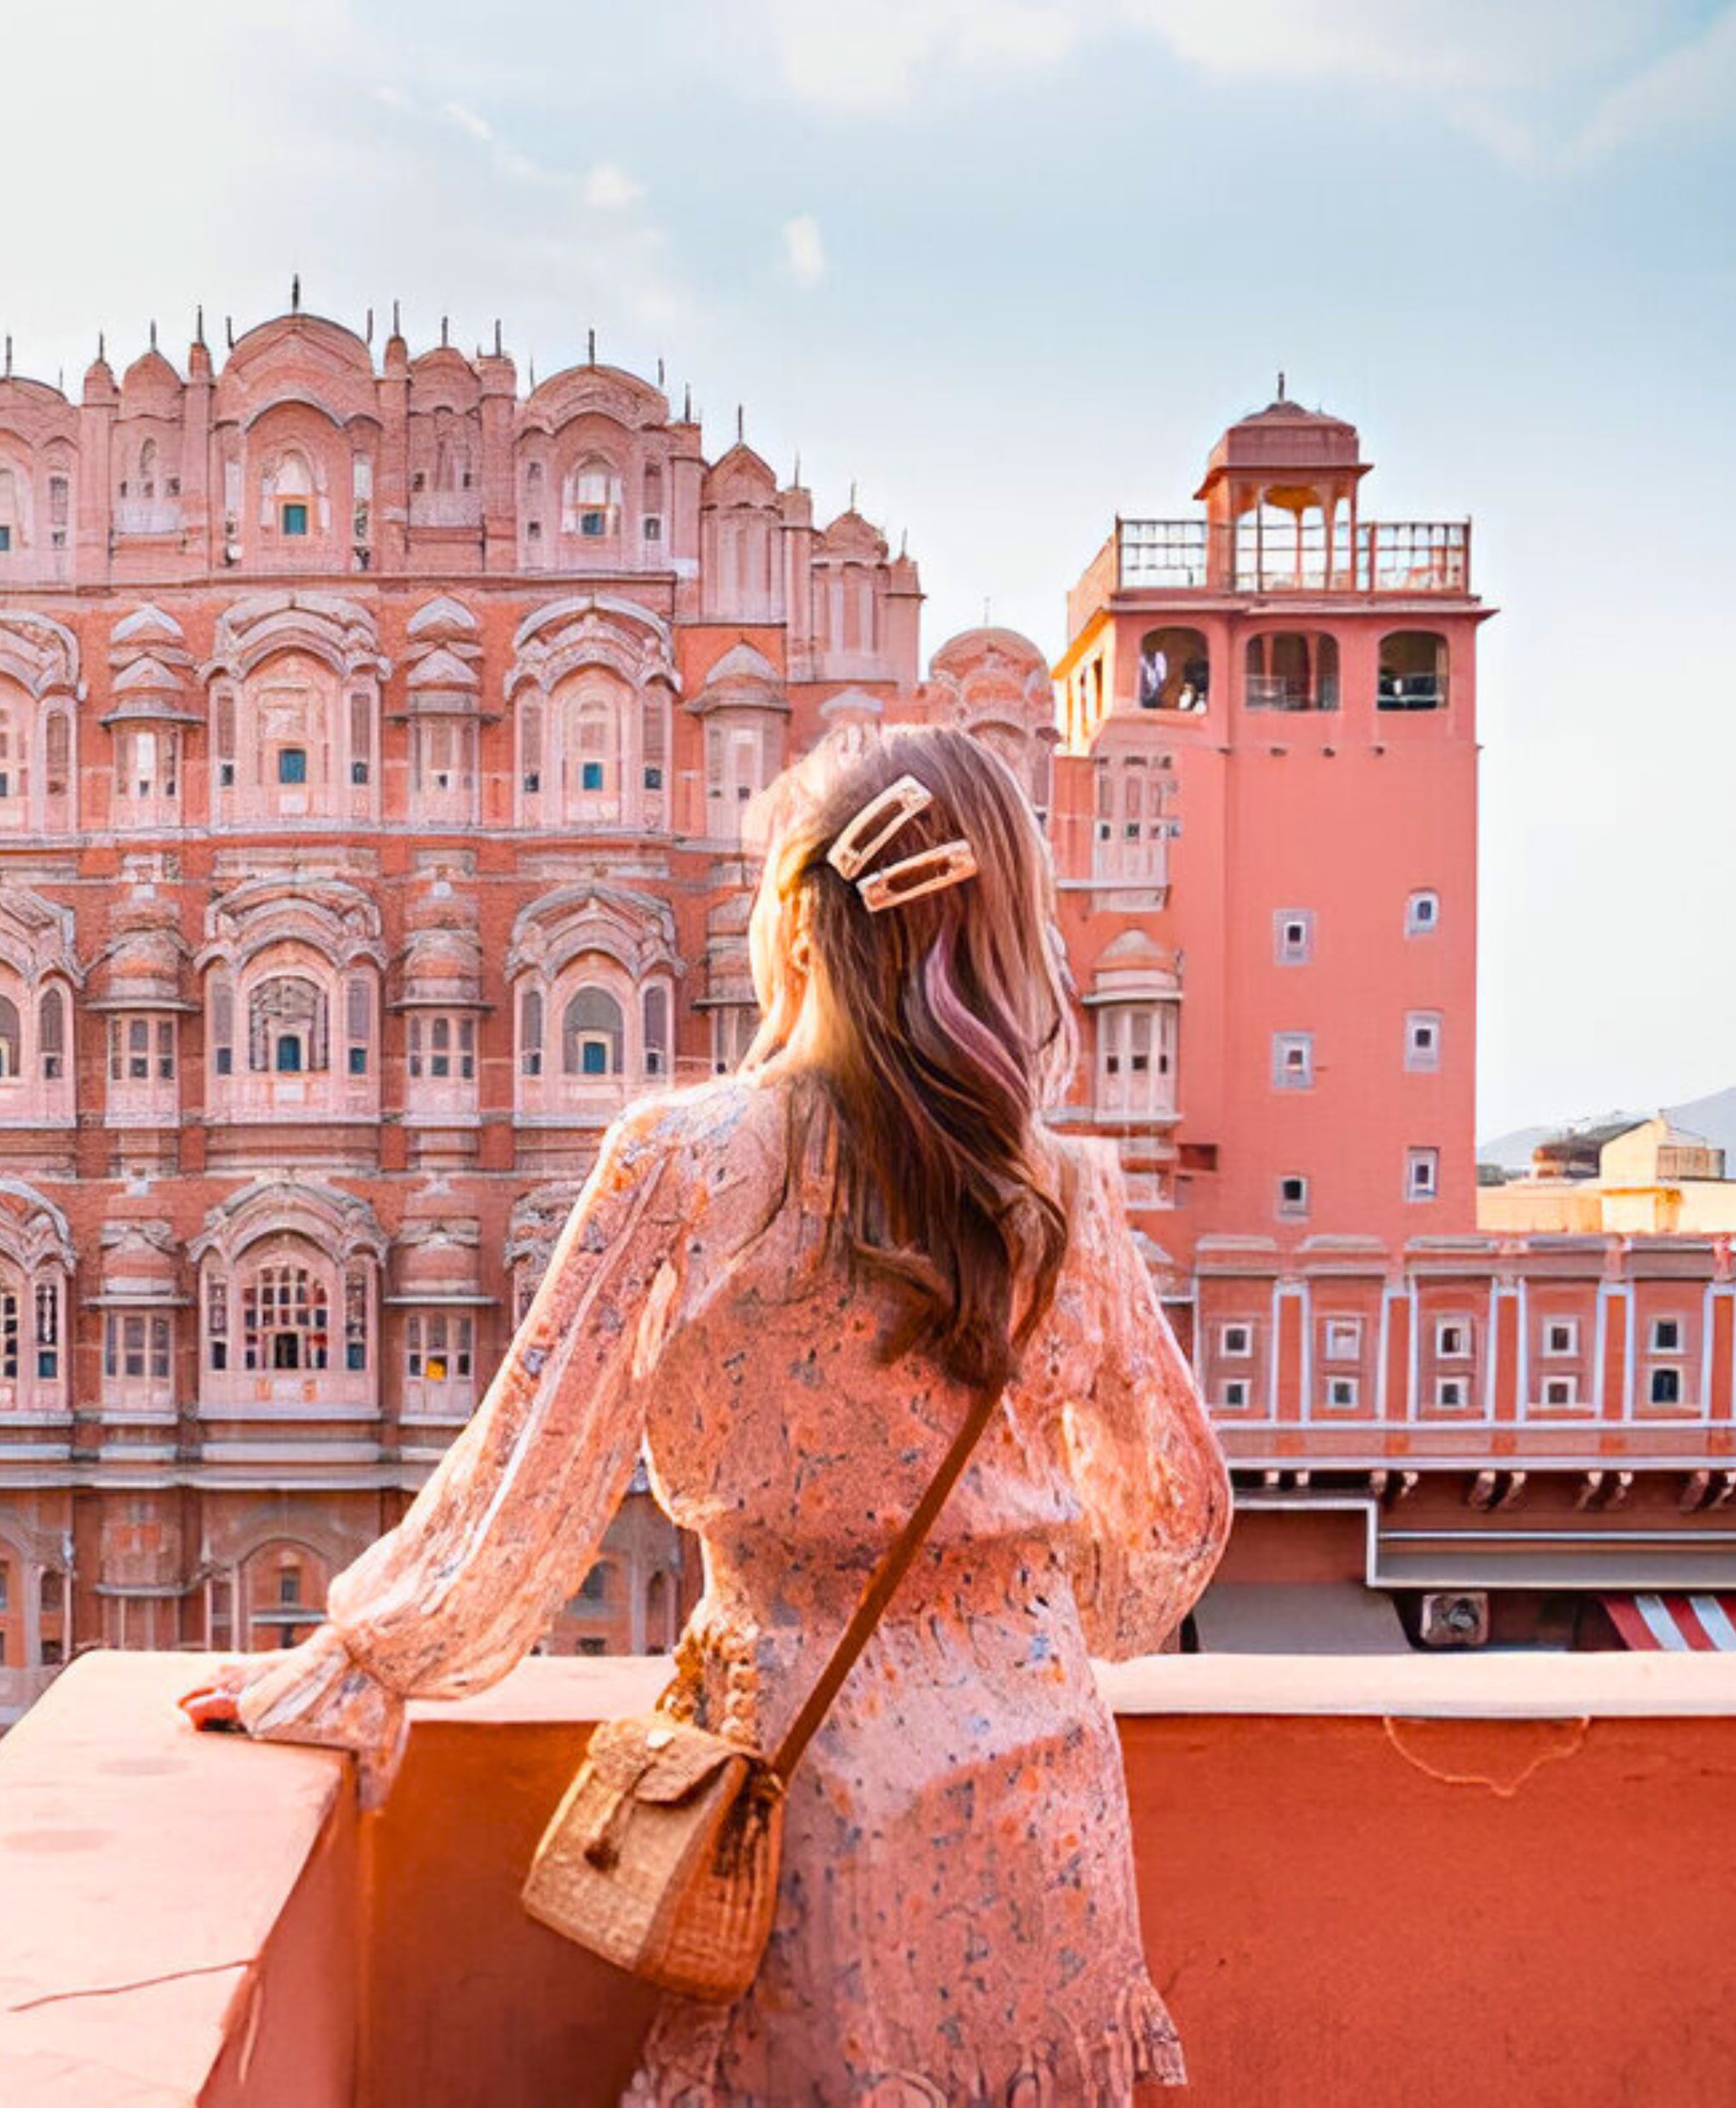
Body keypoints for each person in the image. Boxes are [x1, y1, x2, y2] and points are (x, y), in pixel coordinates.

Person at [181, 724, 1231, 2105]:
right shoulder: (1068, 1196)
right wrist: (1016, 1614)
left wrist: (363, 1662)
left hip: (808, 1778)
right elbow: (1185, 1510)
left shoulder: (687, 1163)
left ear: (797, 926)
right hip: (1044, 1786)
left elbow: (530, 1471)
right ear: (1001, 925)